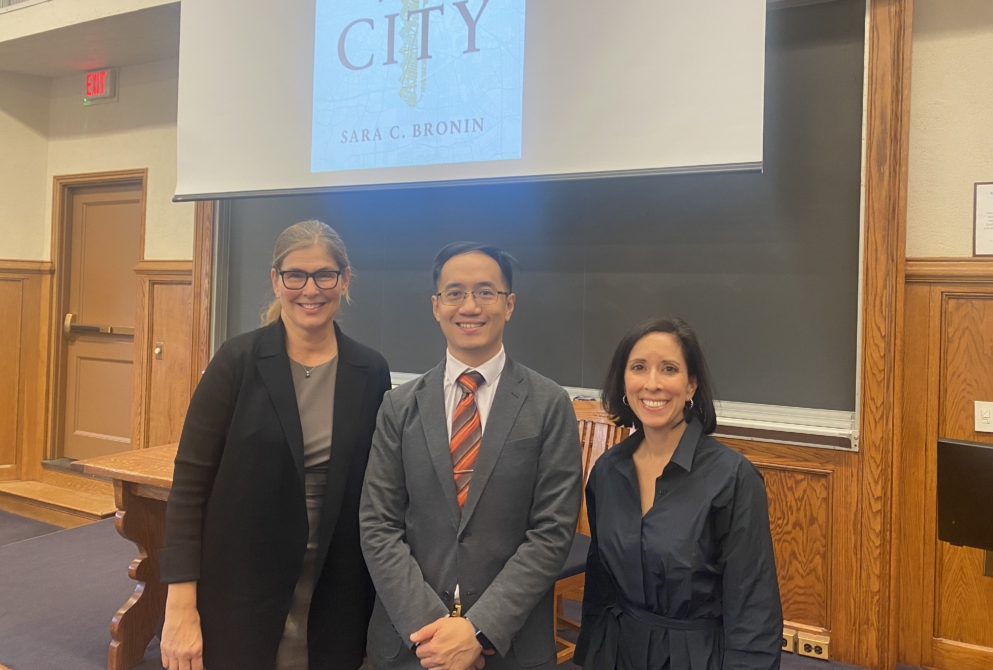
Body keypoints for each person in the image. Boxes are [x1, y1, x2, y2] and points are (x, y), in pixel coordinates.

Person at [158, 220, 391, 670]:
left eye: (325, 275)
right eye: (295, 276)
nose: (311, 289)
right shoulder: (236, 362)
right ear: (275, 280)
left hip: (335, 586)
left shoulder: (371, 370)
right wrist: (180, 604)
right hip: (241, 582)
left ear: (344, 279)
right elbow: (188, 488)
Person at [359, 242, 583, 670]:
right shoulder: (399, 407)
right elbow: (378, 526)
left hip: (508, 645)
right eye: (455, 293)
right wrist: (435, 631)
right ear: (435, 305)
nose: (470, 306)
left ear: (509, 304)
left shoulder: (549, 404)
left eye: (485, 291)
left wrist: (478, 630)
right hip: (411, 645)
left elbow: (551, 532)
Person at [574, 318, 783, 670]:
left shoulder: (732, 478)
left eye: (669, 369)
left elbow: (753, 609)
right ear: (624, 381)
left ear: (691, 386)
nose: (652, 384)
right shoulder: (607, 473)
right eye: (639, 367)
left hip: (698, 656)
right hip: (620, 651)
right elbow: (601, 587)